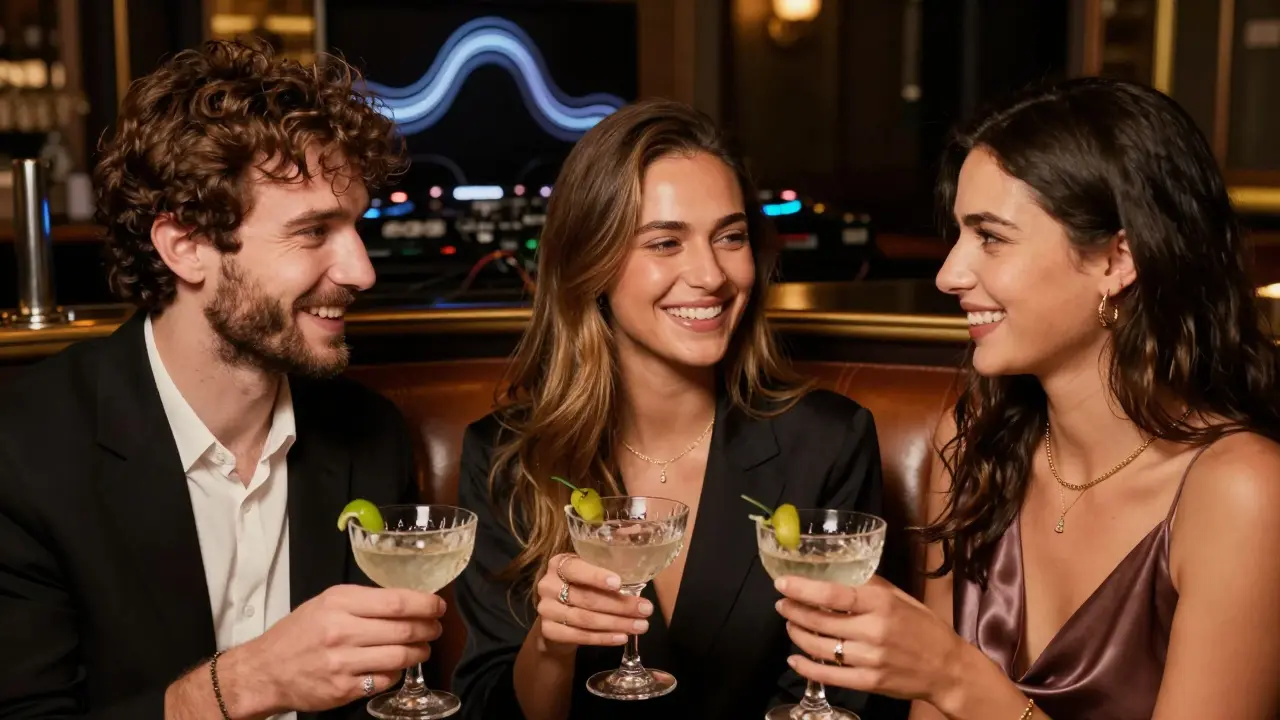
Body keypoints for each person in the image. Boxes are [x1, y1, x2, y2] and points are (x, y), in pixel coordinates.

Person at [770, 77, 1280, 719]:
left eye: (991, 237)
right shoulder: (973, 440)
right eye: (958, 234)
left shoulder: (1243, 492)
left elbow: (947, 686)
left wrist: (955, 676)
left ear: (1118, 260)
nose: (949, 274)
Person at [0, 40, 448, 718]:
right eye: (313, 231)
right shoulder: (23, 453)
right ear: (186, 247)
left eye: (355, 226)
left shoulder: (369, 434)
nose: (361, 271)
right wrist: (244, 683)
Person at [451, 99, 885, 720]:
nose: (710, 274)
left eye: (730, 237)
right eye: (665, 242)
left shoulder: (828, 442)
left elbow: (833, 693)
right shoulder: (506, 457)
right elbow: (491, 707)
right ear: (592, 263)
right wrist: (551, 644)